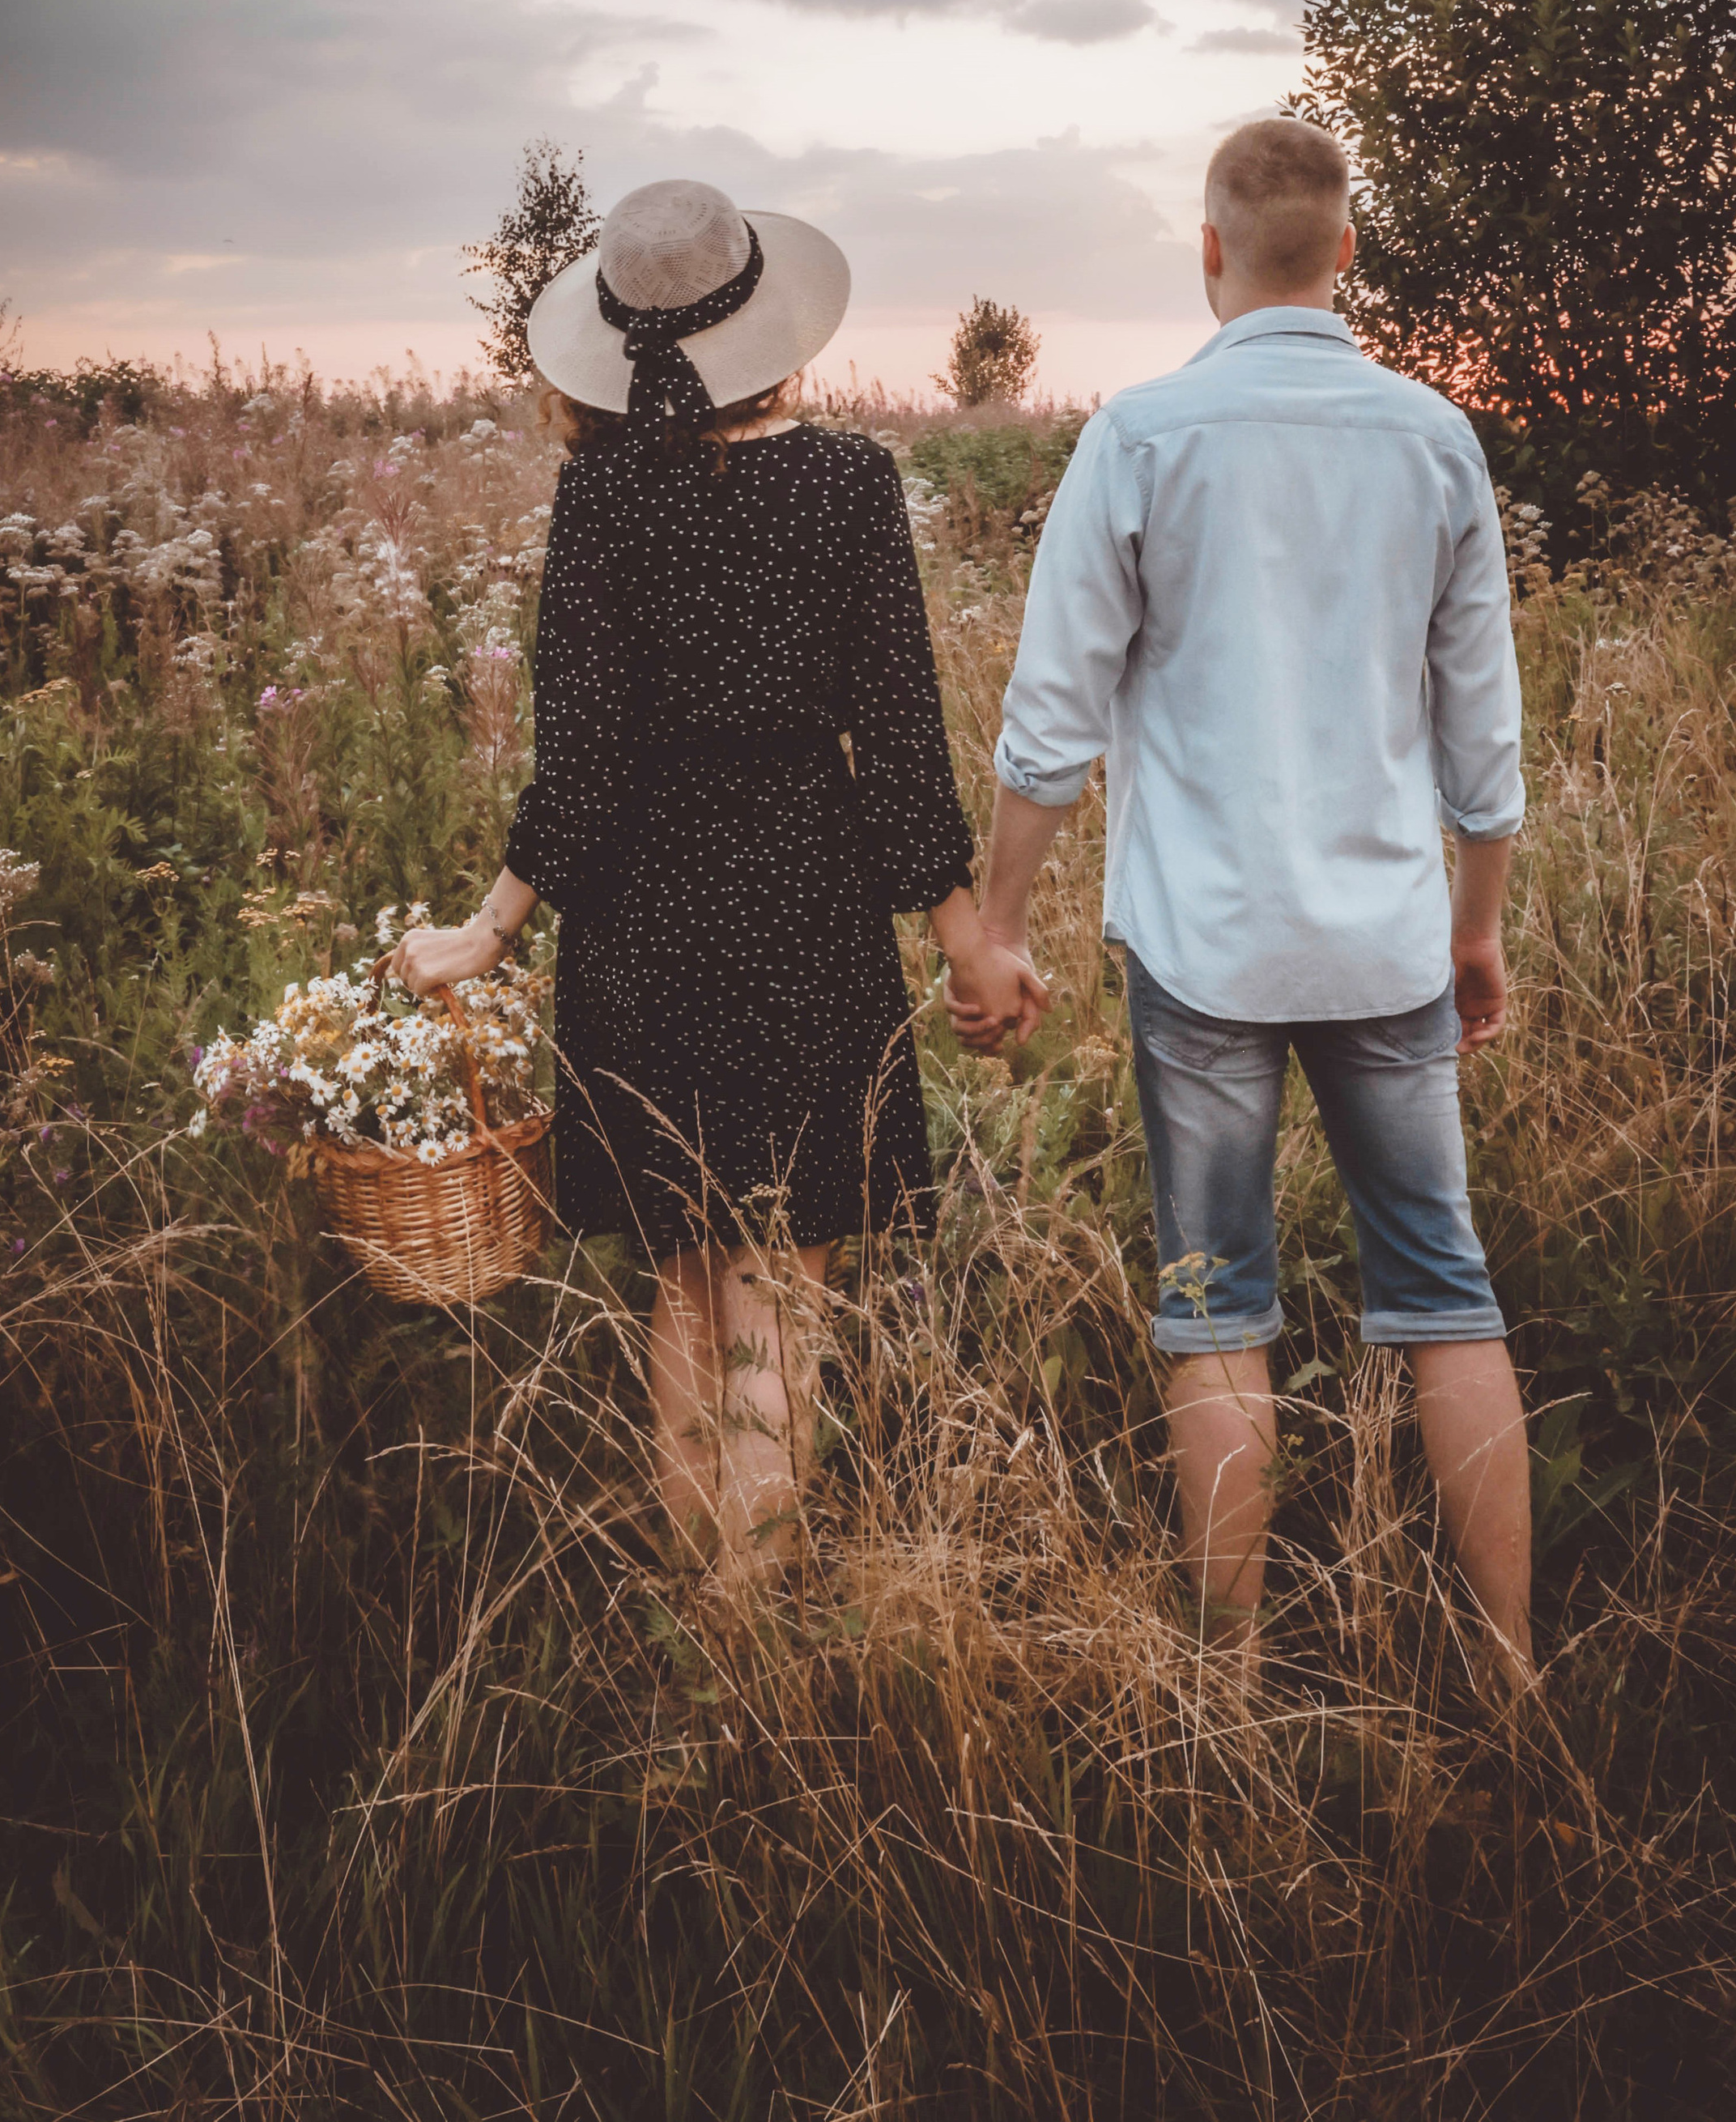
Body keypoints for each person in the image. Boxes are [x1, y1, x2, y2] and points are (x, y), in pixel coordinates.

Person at [955, 117, 1533, 1675]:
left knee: (1213, 1306)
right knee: (1446, 1290)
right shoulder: (1433, 438)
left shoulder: (1142, 436)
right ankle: (1514, 1671)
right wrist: (1475, 927)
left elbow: (1052, 717)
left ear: (1209, 251)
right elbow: (1483, 737)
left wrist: (999, 926)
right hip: (1388, 942)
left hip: (1203, 949)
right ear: (1347, 251)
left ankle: (1225, 1679)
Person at [396, 177, 1039, 1576]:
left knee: (680, 1285)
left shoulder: (600, 495)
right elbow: (900, 743)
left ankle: (709, 1618)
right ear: (765, 322)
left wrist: (490, 927)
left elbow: (579, 760)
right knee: (776, 1296)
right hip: (804, 912)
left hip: (639, 921)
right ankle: (756, 1632)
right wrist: (967, 940)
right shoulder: (849, 485)